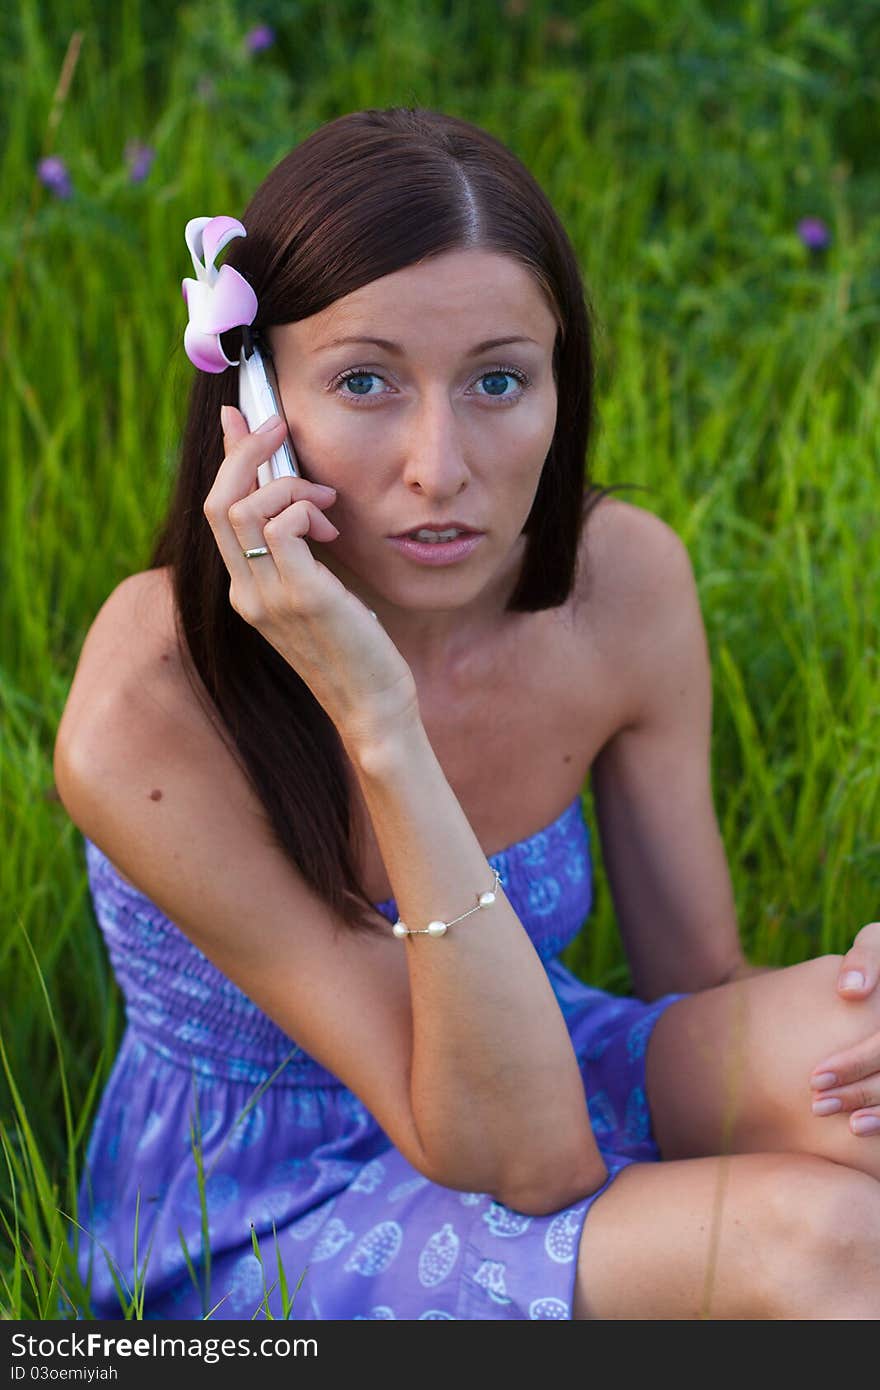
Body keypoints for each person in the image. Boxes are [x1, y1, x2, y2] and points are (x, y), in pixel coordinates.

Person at [54, 106, 880, 1322]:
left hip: (539, 1055)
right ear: (256, 401)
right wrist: (377, 713)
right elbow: (523, 1158)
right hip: (275, 1205)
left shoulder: (621, 584)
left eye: (498, 379)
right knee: (831, 1242)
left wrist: (843, 1005)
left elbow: (698, 980)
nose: (440, 465)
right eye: (366, 381)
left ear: (561, 387)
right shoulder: (151, 699)